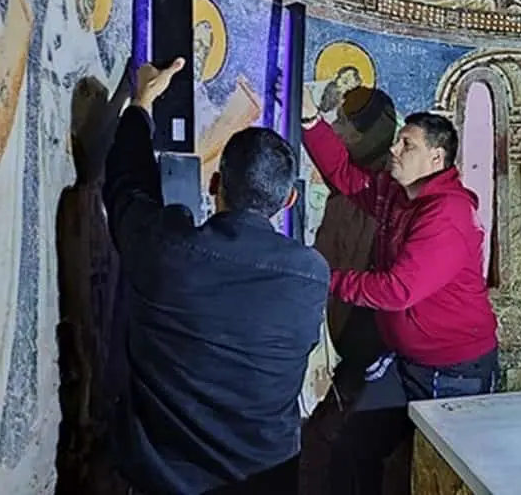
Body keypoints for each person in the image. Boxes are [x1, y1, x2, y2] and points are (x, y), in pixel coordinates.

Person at [107, 59, 329, 494]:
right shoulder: (311, 276)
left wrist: (141, 104)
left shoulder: (166, 250)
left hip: (165, 480)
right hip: (264, 481)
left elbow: (125, 188)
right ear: (289, 200)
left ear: (214, 183)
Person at [299, 87, 499, 494]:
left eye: (407, 145)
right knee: (355, 445)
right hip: (406, 360)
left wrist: (323, 277)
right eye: (397, 141)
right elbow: (347, 178)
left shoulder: (447, 213)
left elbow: (398, 290)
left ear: (436, 159)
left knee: (445, 474)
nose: (394, 150)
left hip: (453, 369)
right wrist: (310, 122)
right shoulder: (398, 193)